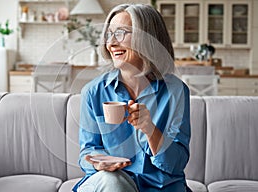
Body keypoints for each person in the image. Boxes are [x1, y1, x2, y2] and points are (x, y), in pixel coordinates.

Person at [73, 3, 191, 192]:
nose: (111, 43)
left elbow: (176, 164)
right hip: (111, 184)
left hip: (161, 187)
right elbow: (87, 152)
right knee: (113, 183)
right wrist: (98, 163)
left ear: (148, 38)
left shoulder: (176, 91)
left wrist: (150, 130)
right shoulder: (93, 92)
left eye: (121, 33)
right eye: (109, 34)